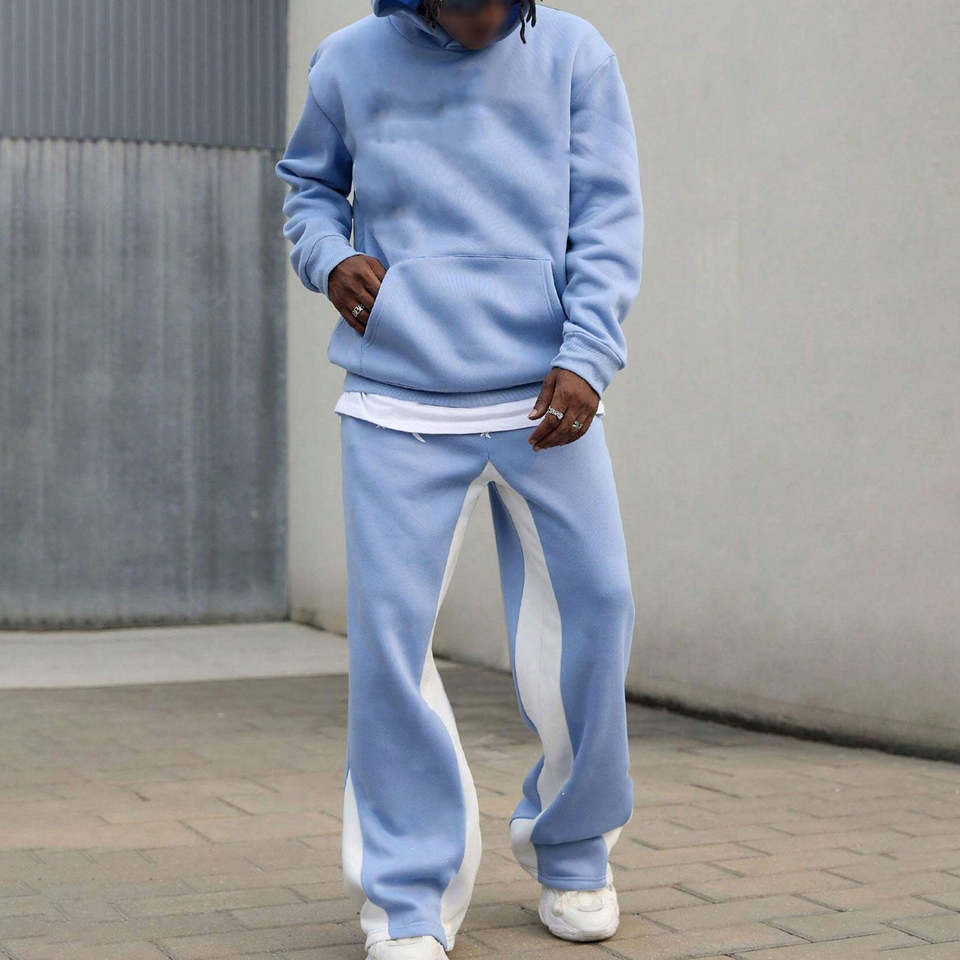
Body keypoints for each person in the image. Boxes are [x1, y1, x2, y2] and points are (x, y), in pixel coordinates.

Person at [275, 1, 644, 957]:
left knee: (597, 610)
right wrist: (330, 258)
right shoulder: (349, 60)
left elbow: (608, 214)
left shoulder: (576, 55)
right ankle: (407, 899)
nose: (485, 17)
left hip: (547, 395)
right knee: (390, 651)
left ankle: (573, 848)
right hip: (398, 397)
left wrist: (589, 353)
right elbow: (308, 189)